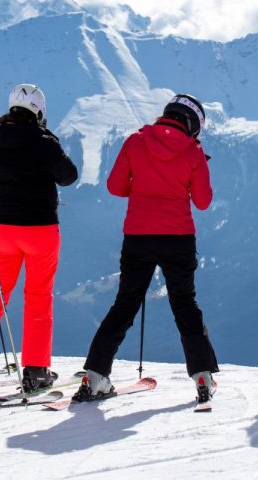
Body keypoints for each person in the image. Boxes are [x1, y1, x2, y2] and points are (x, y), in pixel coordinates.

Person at [74, 94, 219, 405]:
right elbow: (203, 202)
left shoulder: (135, 142)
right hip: (178, 238)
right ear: (192, 124)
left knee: (125, 303)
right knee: (185, 305)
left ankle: (95, 375)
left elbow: (115, 187)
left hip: (138, 236)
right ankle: (203, 376)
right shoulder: (193, 151)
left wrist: (140, 189)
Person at [0, 84, 78, 392]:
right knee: (38, 298)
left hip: (0, 230)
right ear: (39, 114)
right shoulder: (45, 143)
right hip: (40, 230)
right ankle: (36, 370)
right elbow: (68, 176)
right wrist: (53, 144)